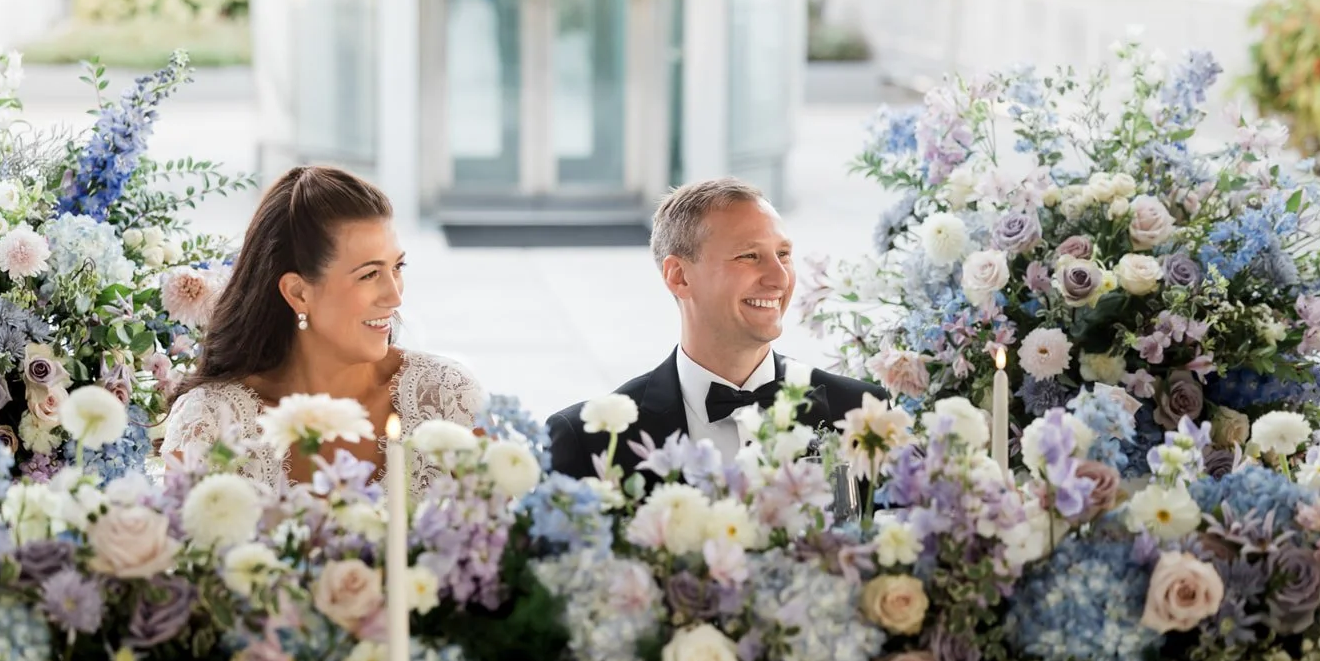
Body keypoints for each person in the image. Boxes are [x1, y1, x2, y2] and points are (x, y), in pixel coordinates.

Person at [162, 165, 486, 496]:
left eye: (397, 267)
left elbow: (499, 524)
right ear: (298, 293)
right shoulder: (209, 424)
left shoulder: (447, 397)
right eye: (369, 274)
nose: (395, 296)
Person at [547, 176, 882, 480]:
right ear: (679, 276)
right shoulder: (586, 442)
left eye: (783, 254)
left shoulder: (862, 412)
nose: (779, 278)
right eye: (749, 256)